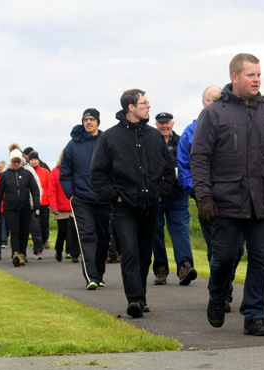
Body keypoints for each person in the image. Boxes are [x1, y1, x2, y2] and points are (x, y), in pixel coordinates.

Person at [191, 53, 264, 336]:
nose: (257, 80)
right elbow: (199, 157)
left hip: (261, 200)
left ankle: (254, 315)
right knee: (223, 258)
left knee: (261, 259)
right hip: (225, 201)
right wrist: (204, 197)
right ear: (234, 77)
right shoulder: (213, 113)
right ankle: (217, 295)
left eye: (259, 74)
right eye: (251, 75)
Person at [90, 89, 174, 317]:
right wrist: (115, 195)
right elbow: (97, 175)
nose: (148, 106)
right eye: (144, 103)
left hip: (150, 205)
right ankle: (134, 299)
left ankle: (142, 297)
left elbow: (168, 169)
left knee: (145, 254)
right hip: (124, 206)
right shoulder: (110, 137)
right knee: (129, 251)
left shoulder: (155, 136)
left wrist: (160, 193)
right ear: (131, 107)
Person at [177, 85, 244, 312]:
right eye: (210, 98)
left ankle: (222, 285)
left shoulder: (235, 124)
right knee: (217, 248)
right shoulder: (190, 131)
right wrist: (196, 190)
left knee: (238, 249)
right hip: (207, 198)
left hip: (235, 196)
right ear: (204, 103)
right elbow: (185, 165)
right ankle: (221, 293)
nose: (215, 101)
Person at [61, 108, 111, 290]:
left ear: (98, 122)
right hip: (82, 198)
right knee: (87, 236)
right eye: (85, 120)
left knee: (104, 238)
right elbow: (64, 173)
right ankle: (90, 277)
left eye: (92, 119)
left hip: (104, 198)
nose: (88, 122)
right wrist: (71, 194)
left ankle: (99, 274)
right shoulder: (73, 145)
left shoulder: (106, 140)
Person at [151, 112, 197, 286]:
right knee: (156, 233)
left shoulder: (181, 141)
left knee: (180, 231)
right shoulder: (151, 143)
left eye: (167, 122)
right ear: (156, 124)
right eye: (161, 123)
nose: (164, 126)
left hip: (178, 194)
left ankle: (185, 267)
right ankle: (161, 269)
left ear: (172, 123)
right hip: (157, 195)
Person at [0, 149, 41, 267]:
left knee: (24, 232)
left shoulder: (27, 173)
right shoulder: (5, 175)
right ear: (11, 162)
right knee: (14, 231)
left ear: (21, 161)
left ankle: (22, 254)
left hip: (25, 207)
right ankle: (15, 253)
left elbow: (35, 189)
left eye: (18, 161)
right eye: (14, 161)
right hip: (10, 208)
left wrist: (36, 205)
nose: (16, 164)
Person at [48, 150, 79, 262]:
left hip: (74, 206)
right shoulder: (55, 172)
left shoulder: (75, 170)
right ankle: (59, 249)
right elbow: (52, 190)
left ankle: (74, 254)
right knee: (63, 231)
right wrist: (54, 206)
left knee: (75, 231)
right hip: (61, 207)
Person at [28, 151, 51, 256]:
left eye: (35, 159)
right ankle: (38, 245)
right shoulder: (27, 172)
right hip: (32, 203)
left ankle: (44, 239)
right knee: (35, 226)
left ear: (38, 160)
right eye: (31, 160)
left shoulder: (45, 172)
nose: (33, 162)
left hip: (44, 202)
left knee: (44, 225)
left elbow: (50, 186)